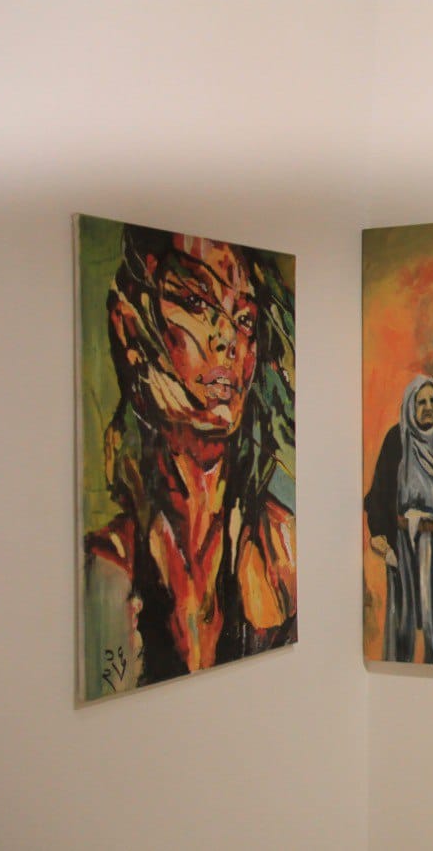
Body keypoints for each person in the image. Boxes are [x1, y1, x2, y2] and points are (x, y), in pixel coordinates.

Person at [82, 223, 296, 700]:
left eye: (244, 320)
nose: (228, 338)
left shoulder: (280, 549)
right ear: (131, 325)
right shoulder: (105, 571)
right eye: (197, 303)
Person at [365, 375, 433, 664]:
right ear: (410, 406)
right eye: (421, 402)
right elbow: (379, 492)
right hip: (404, 543)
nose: (428, 407)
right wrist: (380, 532)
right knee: (402, 621)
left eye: (432, 400)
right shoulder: (396, 440)